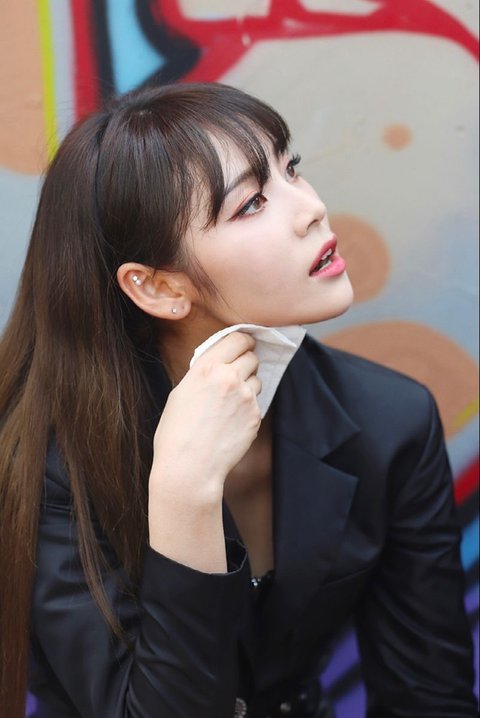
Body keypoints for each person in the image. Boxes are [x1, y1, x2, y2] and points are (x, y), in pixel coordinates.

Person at [0, 83, 476, 718]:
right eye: (251, 203)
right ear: (158, 287)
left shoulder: (389, 423)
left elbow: (430, 698)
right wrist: (185, 494)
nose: (311, 209)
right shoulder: (50, 460)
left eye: (291, 169)